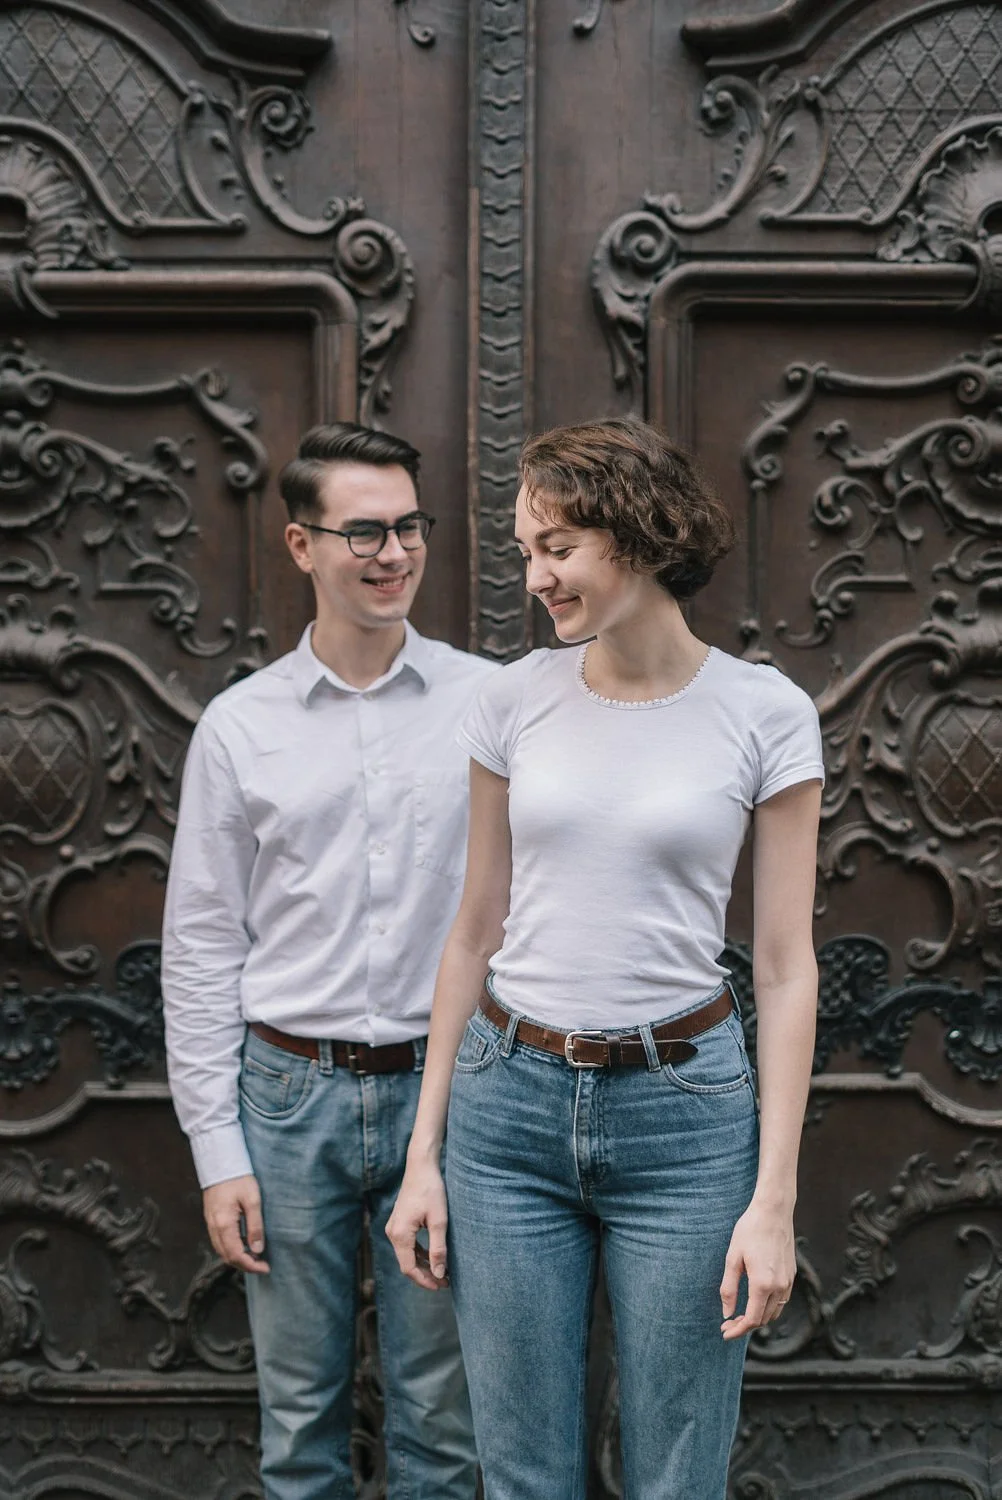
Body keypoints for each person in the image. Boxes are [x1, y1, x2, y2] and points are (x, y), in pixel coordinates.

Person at [386, 417, 824, 1500]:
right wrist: (424, 1154)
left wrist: (773, 1199)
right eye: (527, 551)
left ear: (640, 532)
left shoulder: (765, 712)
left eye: (558, 548)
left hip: (686, 1118)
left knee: (678, 1469)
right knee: (522, 1471)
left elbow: (784, 966)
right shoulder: (512, 699)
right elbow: (473, 929)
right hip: (508, 1109)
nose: (536, 577)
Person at [162, 422, 492, 1500]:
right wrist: (218, 1149)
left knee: (442, 1419)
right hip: (286, 1097)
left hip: (446, 1092)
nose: (393, 553)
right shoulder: (239, 726)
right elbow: (202, 943)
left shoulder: (489, 705)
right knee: (299, 1419)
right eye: (364, 532)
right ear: (302, 545)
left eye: (408, 527)